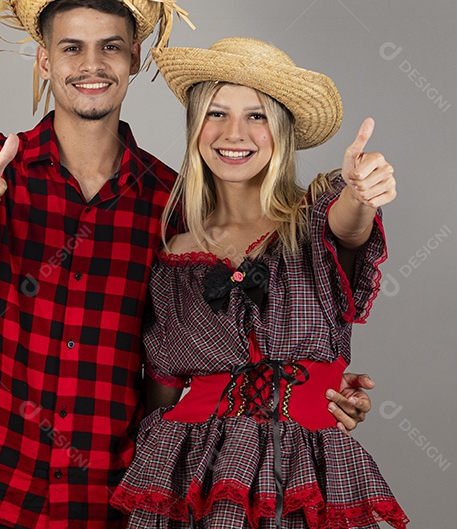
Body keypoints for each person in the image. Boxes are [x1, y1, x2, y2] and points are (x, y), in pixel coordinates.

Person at [0, 0, 377, 529]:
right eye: (71, 48)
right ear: (44, 61)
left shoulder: (171, 202)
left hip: (112, 493)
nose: (91, 65)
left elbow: (231, 330)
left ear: (134, 61)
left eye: (110, 47)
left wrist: (315, 390)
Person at [111, 37, 408, 529]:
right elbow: (159, 393)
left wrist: (362, 194)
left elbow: (349, 225)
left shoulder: (315, 223)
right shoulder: (173, 256)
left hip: (305, 471)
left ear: (283, 131)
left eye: (256, 115)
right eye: (216, 113)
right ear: (195, 127)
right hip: (195, 475)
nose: (234, 132)